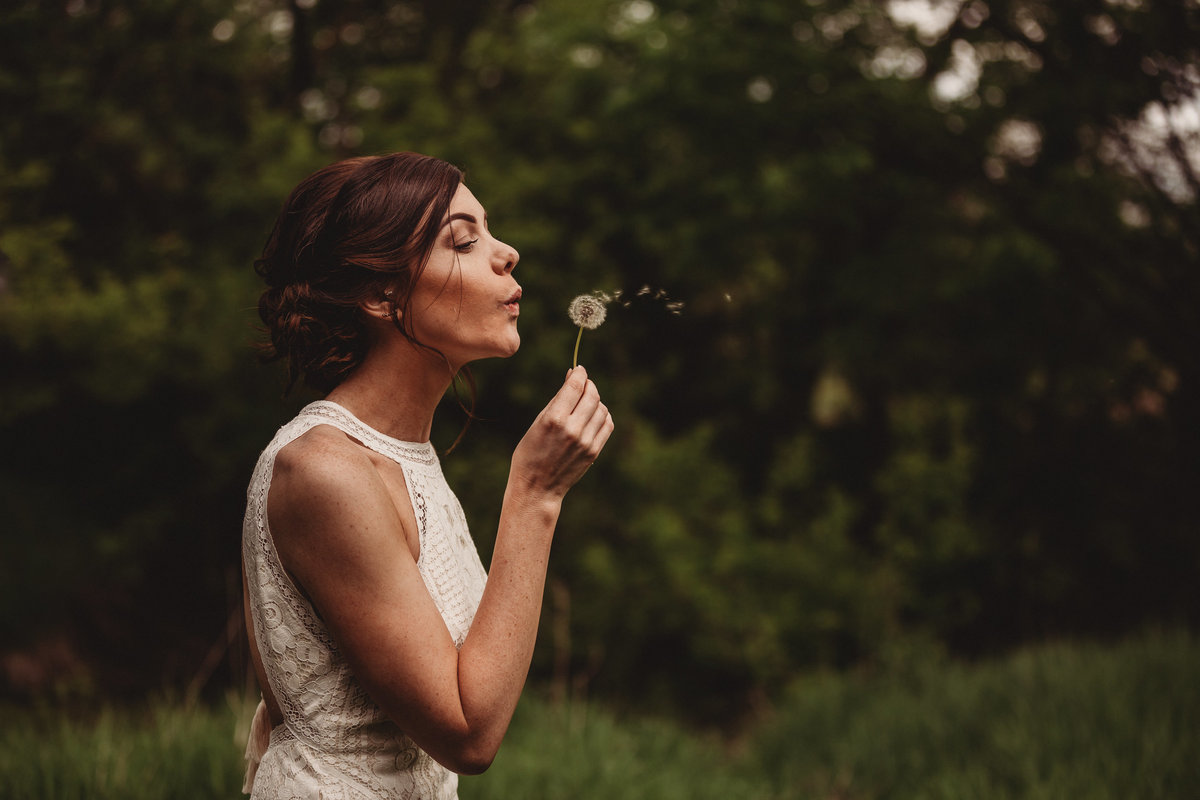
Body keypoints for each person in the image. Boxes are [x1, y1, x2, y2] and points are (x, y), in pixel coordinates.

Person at [240, 152, 613, 799]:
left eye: (490, 231)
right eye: (465, 241)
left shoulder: (410, 462)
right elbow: (468, 733)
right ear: (381, 295)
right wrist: (536, 494)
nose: (508, 253)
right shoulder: (323, 471)